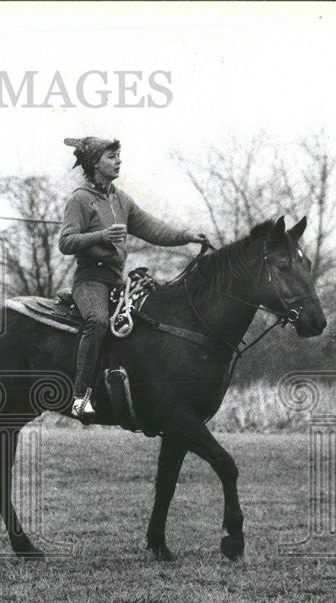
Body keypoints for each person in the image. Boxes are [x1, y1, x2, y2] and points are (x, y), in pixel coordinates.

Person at [58, 136, 208, 422]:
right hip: (90, 281)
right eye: (112, 156)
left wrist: (186, 236)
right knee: (98, 321)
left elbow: (153, 229)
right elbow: (65, 242)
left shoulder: (121, 199)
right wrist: (101, 236)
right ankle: (80, 397)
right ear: (94, 163)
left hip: (118, 282)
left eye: (118, 156)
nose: (118, 161)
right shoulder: (79, 199)